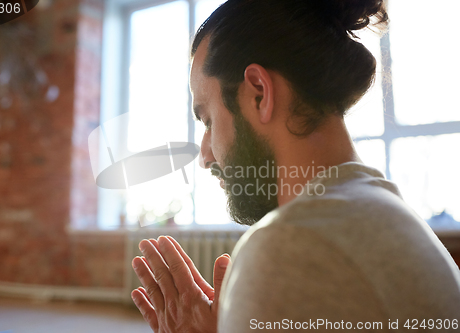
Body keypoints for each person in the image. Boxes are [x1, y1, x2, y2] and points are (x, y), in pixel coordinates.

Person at [130, 0, 460, 331]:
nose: (205, 156)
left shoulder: (290, 248)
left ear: (259, 93)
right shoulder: (388, 214)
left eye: (208, 120)